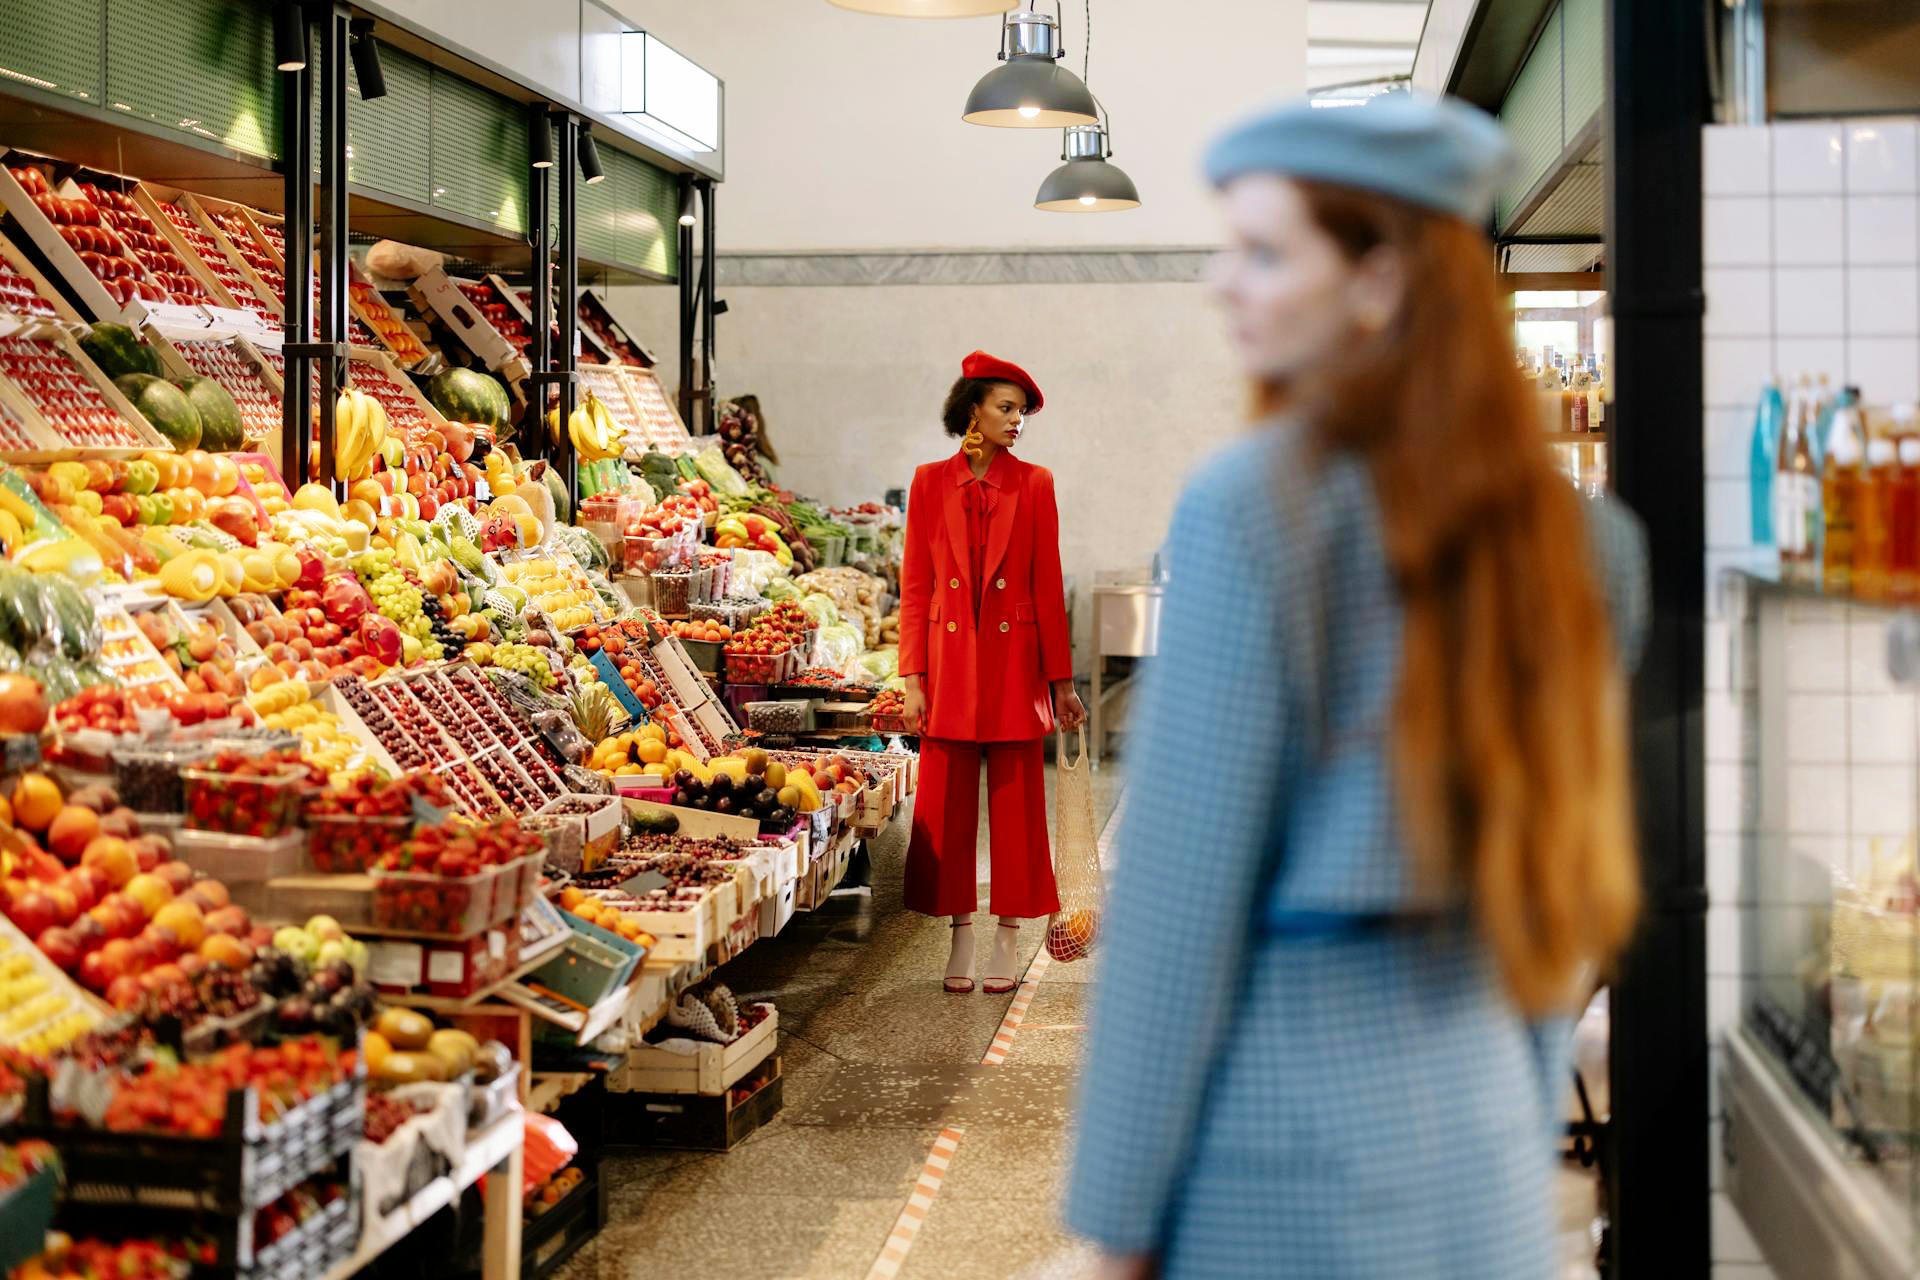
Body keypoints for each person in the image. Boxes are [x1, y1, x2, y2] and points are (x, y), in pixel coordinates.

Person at [1063, 95, 1649, 1278]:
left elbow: (1181, 904)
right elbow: (1562, 891)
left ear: (1382, 278)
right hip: (1485, 1150)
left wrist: (1112, 1224)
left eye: (1266, 252)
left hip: (1273, 1164)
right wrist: (1512, 1109)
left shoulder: (1253, 508)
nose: (1225, 283)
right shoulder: (1589, 546)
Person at [898, 351, 1088, 995]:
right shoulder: (928, 482)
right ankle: (961, 932)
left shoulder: (1034, 483)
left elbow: (1046, 584)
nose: (1018, 422)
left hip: (1014, 665)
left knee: (1017, 807)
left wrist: (1062, 684)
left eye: (1023, 413)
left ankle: (1008, 933)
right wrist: (912, 678)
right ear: (972, 409)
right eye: (1007, 408)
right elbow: (917, 588)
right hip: (949, 665)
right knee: (946, 803)